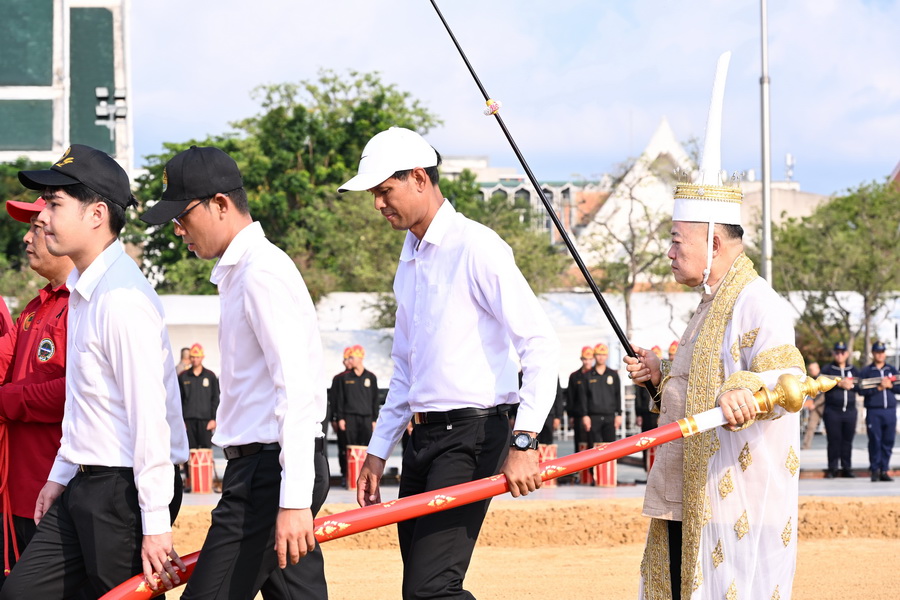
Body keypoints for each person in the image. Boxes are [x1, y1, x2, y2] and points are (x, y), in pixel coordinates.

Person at [340, 127, 559, 599]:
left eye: (385, 190)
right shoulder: (409, 260)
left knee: (431, 588)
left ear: (419, 178)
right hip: (422, 440)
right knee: (420, 590)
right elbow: (405, 369)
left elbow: (540, 343)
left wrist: (524, 439)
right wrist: (378, 451)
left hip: (472, 436)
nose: (378, 204)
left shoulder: (477, 246)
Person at [624, 53, 805, 600]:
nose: (669, 251)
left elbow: (786, 378)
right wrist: (660, 375)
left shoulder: (757, 301)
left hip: (728, 500)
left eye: (677, 241)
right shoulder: (709, 302)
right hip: (685, 491)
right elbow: (702, 387)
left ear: (715, 242)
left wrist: (745, 388)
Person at [140, 145, 329, 599]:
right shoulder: (241, 272)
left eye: (182, 216)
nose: (178, 230)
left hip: (270, 471)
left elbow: (296, 389)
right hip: (263, 466)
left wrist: (293, 500)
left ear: (221, 204)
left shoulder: (261, 273)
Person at [1, 144, 189, 598]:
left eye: (55, 204)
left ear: (96, 214)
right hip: (84, 480)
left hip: (122, 489)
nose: (43, 217)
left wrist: (155, 524)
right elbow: (84, 403)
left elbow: (150, 418)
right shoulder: (86, 292)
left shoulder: (122, 299)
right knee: (22, 592)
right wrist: (60, 475)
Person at [0, 197, 73, 586]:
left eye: (37, 228)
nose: (27, 238)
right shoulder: (34, 306)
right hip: (16, 495)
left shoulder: (84, 304)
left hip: (56, 496)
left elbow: (74, 390)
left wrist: (7, 401)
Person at [859, 341, 899, 482]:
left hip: (890, 411)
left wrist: (890, 386)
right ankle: (875, 470)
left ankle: (884, 470)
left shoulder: (892, 370)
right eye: (877, 352)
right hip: (874, 411)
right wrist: (879, 388)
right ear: (873, 353)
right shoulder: (867, 371)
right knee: (875, 441)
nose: (880, 355)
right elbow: (861, 390)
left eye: (882, 352)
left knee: (888, 441)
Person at [820, 343, 858, 477]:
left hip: (850, 411)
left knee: (847, 441)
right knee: (834, 440)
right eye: (837, 352)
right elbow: (821, 385)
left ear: (847, 354)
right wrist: (838, 383)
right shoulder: (828, 369)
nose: (840, 355)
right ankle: (832, 468)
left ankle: (847, 467)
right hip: (833, 411)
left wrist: (851, 385)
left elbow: (860, 386)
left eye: (842, 352)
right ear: (833, 353)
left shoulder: (853, 369)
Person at [334, 344, 380, 447]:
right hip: (349, 418)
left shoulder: (371, 377)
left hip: (367, 418)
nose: (349, 361)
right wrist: (340, 418)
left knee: (366, 448)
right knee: (350, 447)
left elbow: (375, 400)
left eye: (352, 358)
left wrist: (374, 419)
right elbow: (340, 399)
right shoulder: (344, 377)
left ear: (360, 358)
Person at [178, 343, 220, 450]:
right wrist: (180, 420)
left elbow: (215, 398)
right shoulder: (183, 376)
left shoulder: (210, 376)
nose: (195, 359)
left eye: (197, 357)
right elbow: (179, 400)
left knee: (205, 451)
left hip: (206, 421)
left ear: (202, 357)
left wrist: (214, 419)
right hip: (188, 420)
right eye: (192, 357)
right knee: (190, 451)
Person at [580, 343, 622, 444]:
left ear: (607, 356)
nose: (601, 357)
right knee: (593, 447)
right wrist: (585, 415)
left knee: (610, 447)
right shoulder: (587, 375)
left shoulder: (613, 374)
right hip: (593, 417)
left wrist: (619, 414)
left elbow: (618, 395)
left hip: (610, 416)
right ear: (594, 356)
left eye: (603, 354)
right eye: (598, 354)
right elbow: (583, 397)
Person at [329, 348, 353, 481]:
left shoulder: (366, 376)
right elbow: (334, 400)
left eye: (350, 358)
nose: (347, 361)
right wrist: (335, 418)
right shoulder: (339, 378)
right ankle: (345, 474)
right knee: (343, 448)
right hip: (344, 419)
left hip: (360, 420)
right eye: (345, 359)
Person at [567, 346, 594, 454]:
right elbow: (570, 397)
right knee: (580, 444)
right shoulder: (574, 376)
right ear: (581, 359)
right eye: (585, 359)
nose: (587, 362)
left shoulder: (596, 375)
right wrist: (571, 415)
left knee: (593, 444)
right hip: (578, 415)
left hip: (593, 414)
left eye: (590, 359)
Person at [801, 360, 825, 451]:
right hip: (815, 407)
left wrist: (814, 404)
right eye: (809, 370)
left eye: (812, 369)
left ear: (817, 368)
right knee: (811, 426)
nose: (810, 371)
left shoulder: (822, 379)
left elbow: (824, 395)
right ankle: (806, 445)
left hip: (823, 405)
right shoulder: (813, 379)